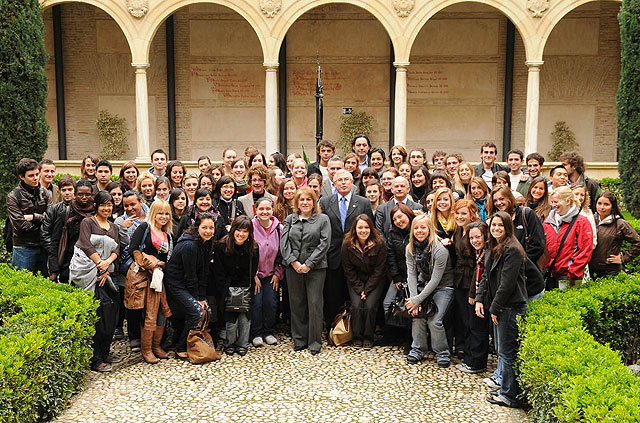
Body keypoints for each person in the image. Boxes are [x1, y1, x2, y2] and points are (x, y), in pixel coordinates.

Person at [475, 212, 528, 408]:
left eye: (500, 225)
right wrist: (481, 299)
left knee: (507, 352)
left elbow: (507, 284)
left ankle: (509, 395)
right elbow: (487, 278)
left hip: (510, 306)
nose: (496, 228)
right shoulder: (495, 246)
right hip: (500, 306)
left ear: (507, 227)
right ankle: (506, 387)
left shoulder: (512, 249)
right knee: (501, 350)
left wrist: (494, 308)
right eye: (493, 225)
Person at [69, 191, 120, 372]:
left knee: (110, 314)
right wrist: (100, 264)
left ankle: (105, 352)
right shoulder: (87, 222)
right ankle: (95, 359)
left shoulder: (113, 227)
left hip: (106, 273)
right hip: (88, 273)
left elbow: (117, 248)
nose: (106, 208)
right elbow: (85, 244)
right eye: (103, 205)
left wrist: (107, 264)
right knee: (97, 316)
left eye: (110, 205)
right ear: (96, 206)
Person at [319, 169, 373, 335]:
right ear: (334, 184)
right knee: (332, 294)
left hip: (357, 255)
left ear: (352, 183)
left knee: (354, 294)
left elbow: (370, 228)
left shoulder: (363, 202)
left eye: (346, 179)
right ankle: (333, 328)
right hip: (332, 254)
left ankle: (354, 329)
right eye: (339, 180)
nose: (343, 182)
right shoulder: (325, 201)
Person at [280, 187, 331, 355]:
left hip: (315, 268)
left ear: (314, 202)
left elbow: (324, 243)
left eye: (308, 199)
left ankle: (315, 341)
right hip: (293, 268)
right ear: (297, 203)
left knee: (315, 303)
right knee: (297, 303)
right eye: (302, 200)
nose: (305, 203)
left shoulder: (323, 219)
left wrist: (309, 263)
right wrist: (293, 262)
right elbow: (284, 243)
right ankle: (299, 339)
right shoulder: (290, 219)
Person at [164, 212, 219, 361]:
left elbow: (203, 273)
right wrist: (197, 299)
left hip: (188, 283)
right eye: (204, 227)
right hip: (175, 283)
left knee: (205, 309)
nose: (208, 231)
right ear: (197, 228)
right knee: (197, 312)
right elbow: (191, 276)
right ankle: (181, 348)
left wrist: (201, 297)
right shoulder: (189, 245)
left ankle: (190, 343)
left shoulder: (206, 242)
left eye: (211, 228)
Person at [126, 200, 174, 364]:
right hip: (144, 278)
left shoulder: (168, 234)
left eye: (167, 213)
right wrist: (149, 263)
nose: (164, 216)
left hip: (159, 278)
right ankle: (146, 350)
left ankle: (156, 346)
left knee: (162, 311)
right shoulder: (144, 228)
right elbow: (133, 249)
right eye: (160, 213)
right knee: (148, 314)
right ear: (153, 213)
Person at [405, 214, 454, 368]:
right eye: (416, 228)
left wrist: (417, 300)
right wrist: (414, 299)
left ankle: (442, 352)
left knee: (435, 321)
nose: (419, 231)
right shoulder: (410, 248)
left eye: (423, 227)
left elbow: (435, 280)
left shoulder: (440, 250)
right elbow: (411, 275)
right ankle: (418, 349)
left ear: (430, 229)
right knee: (417, 316)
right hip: (423, 284)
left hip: (443, 287)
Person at [213, 216, 259, 356]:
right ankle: (230, 343)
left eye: (245, 231)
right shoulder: (221, 246)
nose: (241, 234)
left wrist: (243, 290)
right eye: (238, 230)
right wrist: (227, 290)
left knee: (245, 318)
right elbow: (218, 271)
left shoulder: (254, 248)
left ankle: (243, 344)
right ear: (232, 230)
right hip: (227, 286)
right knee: (231, 319)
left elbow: (252, 271)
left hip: (245, 286)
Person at [488, 186, 545, 299]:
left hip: (529, 279)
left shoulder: (526, 214)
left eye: (502, 199)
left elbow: (538, 244)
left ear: (509, 198)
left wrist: (517, 263)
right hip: (508, 280)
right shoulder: (495, 221)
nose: (498, 203)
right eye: (495, 200)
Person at [341, 214, 386, 348]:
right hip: (355, 280)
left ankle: (368, 336)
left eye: (366, 227)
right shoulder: (347, 244)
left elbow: (379, 270)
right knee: (357, 305)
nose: (363, 230)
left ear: (371, 229)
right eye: (360, 227)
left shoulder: (379, 243)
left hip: (375, 280)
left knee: (370, 306)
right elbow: (348, 269)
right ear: (354, 229)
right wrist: (360, 289)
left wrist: (367, 290)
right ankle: (357, 336)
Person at [114, 190, 150, 351]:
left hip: (149, 264)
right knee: (133, 302)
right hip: (130, 268)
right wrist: (122, 228)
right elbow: (118, 246)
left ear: (141, 202)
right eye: (126, 205)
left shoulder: (152, 216)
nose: (129, 208)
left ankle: (149, 336)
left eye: (133, 204)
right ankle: (134, 336)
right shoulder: (120, 221)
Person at [42, 180, 94, 284]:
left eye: (87, 194)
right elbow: (56, 242)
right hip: (68, 264)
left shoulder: (96, 214)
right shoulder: (66, 213)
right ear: (75, 195)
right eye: (80, 194)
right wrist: (54, 270)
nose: (84, 197)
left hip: (91, 264)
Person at [456, 220, 490, 374]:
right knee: (472, 325)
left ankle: (477, 363)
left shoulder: (488, 253)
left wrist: (477, 297)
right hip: (476, 295)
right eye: (471, 238)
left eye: (478, 237)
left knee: (479, 329)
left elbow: (484, 279)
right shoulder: (478, 252)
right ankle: (471, 360)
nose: (475, 241)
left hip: (484, 297)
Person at [543, 187, 594, 289]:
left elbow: (586, 250)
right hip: (550, 273)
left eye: (556, 202)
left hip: (569, 275)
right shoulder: (547, 221)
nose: (553, 205)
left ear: (568, 201)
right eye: (552, 202)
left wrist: (573, 272)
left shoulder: (581, 222)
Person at [7, 158, 51, 275]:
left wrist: (33, 217)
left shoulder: (45, 193)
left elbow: (51, 219)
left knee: (45, 285)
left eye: (37, 174)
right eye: (31, 175)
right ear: (22, 177)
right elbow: (21, 226)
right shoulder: (13, 196)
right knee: (23, 285)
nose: (36, 178)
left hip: (43, 246)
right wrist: (42, 221)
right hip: (23, 247)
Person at [251, 198, 284, 347]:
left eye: (268, 209)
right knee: (256, 303)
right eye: (261, 209)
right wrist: (253, 274)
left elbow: (283, 253)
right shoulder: (250, 227)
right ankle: (257, 333)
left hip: (272, 274)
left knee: (271, 302)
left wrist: (278, 273)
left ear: (272, 210)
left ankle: (268, 332)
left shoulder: (279, 229)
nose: (265, 212)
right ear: (255, 210)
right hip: (255, 275)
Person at [449, 199, 480, 359]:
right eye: (457, 213)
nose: (459, 216)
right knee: (462, 316)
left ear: (472, 215)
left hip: (471, 279)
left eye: (463, 213)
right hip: (459, 279)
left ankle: (471, 353)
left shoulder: (474, 231)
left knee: (470, 317)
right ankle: (462, 347)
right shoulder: (458, 230)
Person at [382, 203, 416, 347]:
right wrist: (396, 277)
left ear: (408, 214)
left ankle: (410, 339)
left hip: (415, 277)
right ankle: (393, 335)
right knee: (388, 304)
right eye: (394, 219)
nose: (398, 221)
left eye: (400, 217)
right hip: (399, 276)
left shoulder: (417, 230)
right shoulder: (392, 233)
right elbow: (391, 256)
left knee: (410, 306)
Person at [590, 191, 640, 278]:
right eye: (599, 203)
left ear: (612, 206)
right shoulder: (591, 220)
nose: (602, 207)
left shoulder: (620, 224)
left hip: (609, 272)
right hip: (589, 270)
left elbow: (638, 242)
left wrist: (624, 258)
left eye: (606, 204)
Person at [571, 183, 598, 249]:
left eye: (582, 195)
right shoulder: (563, 210)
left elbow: (593, 236)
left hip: (583, 251)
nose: (579, 197)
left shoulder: (588, 213)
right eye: (576, 194)